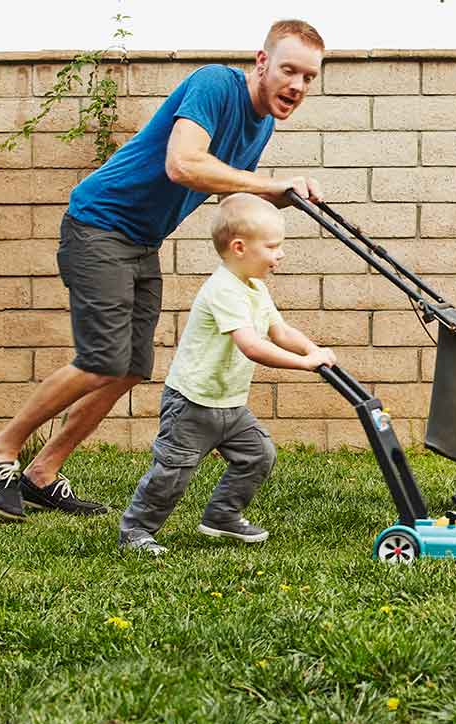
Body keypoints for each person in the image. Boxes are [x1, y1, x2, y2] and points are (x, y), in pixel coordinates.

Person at [0, 19, 326, 521]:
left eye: (309, 77)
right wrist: (268, 183)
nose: (297, 86)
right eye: (289, 70)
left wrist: (280, 201)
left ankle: (42, 473)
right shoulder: (215, 86)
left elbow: (229, 193)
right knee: (101, 359)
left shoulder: (260, 124)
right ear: (261, 63)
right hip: (99, 225)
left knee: (131, 366)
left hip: (140, 241)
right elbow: (183, 164)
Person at [119, 193, 335, 556]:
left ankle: (221, 516)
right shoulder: (223, 290)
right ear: (239, 247)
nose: (279, 254)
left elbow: (279, 332)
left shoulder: (256, 288)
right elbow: (251, 345)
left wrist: (313, 349)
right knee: (173, 472)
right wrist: (303, 364)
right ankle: (136, 530)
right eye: (272, 246)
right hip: (191, 402)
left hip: (230, 404)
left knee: (258, 455)